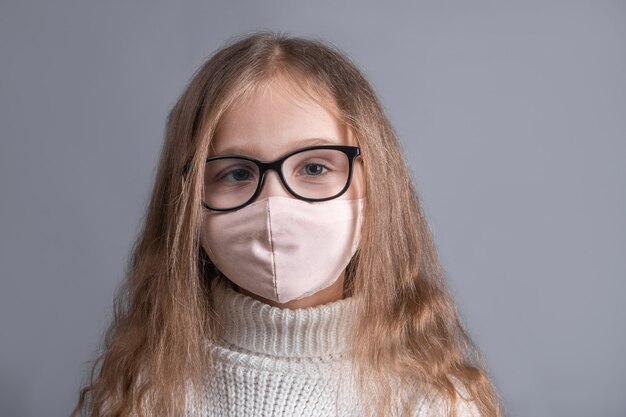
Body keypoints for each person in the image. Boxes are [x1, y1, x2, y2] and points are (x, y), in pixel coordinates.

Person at [70, 31, 504, 417]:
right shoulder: (143, 399)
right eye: (237, 173)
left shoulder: (435, 403)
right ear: (187, 201)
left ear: (377, 183)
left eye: (315, 168)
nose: (274, 206)